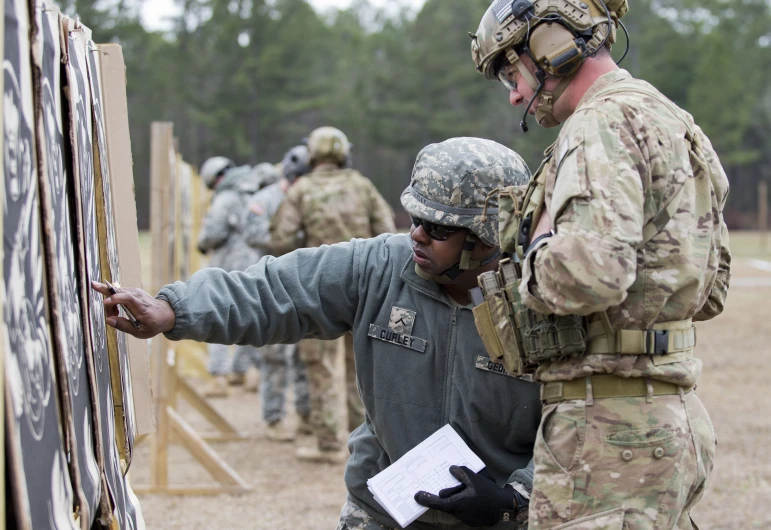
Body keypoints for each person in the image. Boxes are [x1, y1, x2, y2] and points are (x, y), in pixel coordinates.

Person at [93, 137, 541, 529]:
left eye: (438, 228)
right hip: (382, 513)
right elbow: (276, 291)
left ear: (487, 236)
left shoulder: (545, 301)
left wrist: (514, 499)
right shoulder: (379, 266)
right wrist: (173, 310)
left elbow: (587, 420)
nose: (417, 235)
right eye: (414, 218)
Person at [444, 1, 730, 528]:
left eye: (513, 71)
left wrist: (537, 247)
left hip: (605, 432)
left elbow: (588, 276)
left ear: (550, 46)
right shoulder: (673, 121)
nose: (514, 94)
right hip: (670, 419)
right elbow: (712, 289)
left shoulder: (596, 125)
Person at [269, 126, 397, 463]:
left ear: (312, 154)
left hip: (318, 290)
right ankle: (365, 443)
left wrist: (308, 247)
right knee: (361, 368)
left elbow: (280, 239)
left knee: (320, 368)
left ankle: (328, 444)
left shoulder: (302, 190)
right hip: (365, 290)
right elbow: (388, 233)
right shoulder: (362, 186)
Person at [242, 145, 313, 443]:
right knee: (274, 358)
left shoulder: (310, 198)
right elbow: (254, 234)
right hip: (270, 286)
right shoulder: (264, 200)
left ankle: (306, 418)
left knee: (304, 359)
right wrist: (290, 238)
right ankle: (274, 418)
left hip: (305, 287)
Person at [196, 156, 263, 396]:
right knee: (250, 315)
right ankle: (248, 372)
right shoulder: (254, 194)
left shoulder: (225, 198)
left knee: (218, 314)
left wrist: (202, 244)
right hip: (254, 262)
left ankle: (219, 378)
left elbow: (213, 231)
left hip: (228, 264)